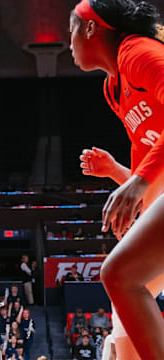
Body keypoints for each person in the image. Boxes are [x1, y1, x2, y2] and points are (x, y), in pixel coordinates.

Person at [70, 0, 164, 358]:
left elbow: (147, 177)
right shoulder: (114, 88)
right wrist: (119, 175)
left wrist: (137, 182)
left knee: (120, 275)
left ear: (90, 27)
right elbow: (153, 172)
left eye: (71, 32)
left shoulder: (137, 52)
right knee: (124, 322)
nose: (69, 43)